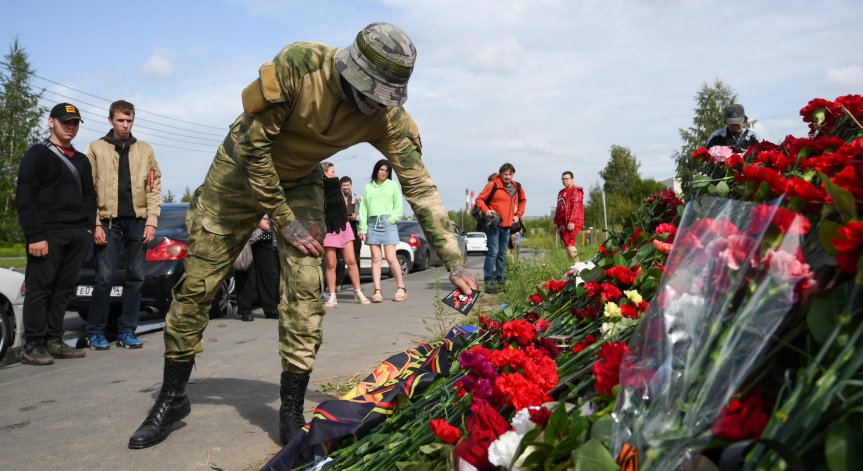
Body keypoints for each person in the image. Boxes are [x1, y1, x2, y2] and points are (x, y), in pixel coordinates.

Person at [127, 22, 477, 449]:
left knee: (307, 289)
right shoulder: (300, 65)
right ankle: (172, 395)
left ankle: (292, 408)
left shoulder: (386, 116)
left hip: (299, 182)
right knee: (198, 285)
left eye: (382, 98)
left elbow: (419, 186)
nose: (371, 106)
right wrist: (283, 219)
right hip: (238, 176)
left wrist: (454, 259)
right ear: (351, 70)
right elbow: (255, 150)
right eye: (368, 93)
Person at [15, 103, 95, 365]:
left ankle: (54, 340)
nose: (70, 127)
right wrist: (35, 235)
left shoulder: (81, 160)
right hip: (46, 234)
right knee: (40, 290)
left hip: (76, 234)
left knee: (63, 289)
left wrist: (88, 229)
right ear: (51, 122)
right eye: (65, 122)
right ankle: (33, 345)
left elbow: (89, 197)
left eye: (74, 123)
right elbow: (25, 198)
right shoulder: (37, 155)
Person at [84, 100, 162, 350]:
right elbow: (88, 189)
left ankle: (127, 330)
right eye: (120, 120)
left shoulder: (145, 150)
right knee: (104, 278)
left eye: (129, 120)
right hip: (108, 222)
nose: (125, 125)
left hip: (137, 223)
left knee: (136, 276)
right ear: (110, 120)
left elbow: (153, 186)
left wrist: (152, 221)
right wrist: (95, 224)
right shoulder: (96, 149)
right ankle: (95, 331)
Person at [321, 163, 370, 307]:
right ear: (324, 174)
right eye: (332, 171)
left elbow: (341, 204)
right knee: (331, 264)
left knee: (351, 260)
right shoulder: (319, 188)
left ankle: (358, 292)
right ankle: (332, 295)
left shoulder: (336, 186)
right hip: (329, 228)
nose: (335, 174)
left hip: (343, 226)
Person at [358, 159, 407, 303]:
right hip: (372, 223)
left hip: (388, 222)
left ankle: (401, 288)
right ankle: (377, 291)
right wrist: (363, 228)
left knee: (391, 258)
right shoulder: (368, 187)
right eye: (381, 169)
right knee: (375, 259)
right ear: (376, 170)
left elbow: (398, 206)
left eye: (386, 170)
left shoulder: (392, 185)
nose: (384, 172)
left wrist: (391, 219)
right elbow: (364, 209)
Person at [475, 163, 526, 292]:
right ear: (500, 174)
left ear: (513, 174)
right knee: (493, 252)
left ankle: (501, 281)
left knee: (503, 253)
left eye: (510, 174)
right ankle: (489, 282)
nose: (507, 177)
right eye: (505, 174)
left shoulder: (516, 186)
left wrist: (518, 215)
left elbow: (523, 200)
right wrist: (487, 211)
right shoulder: (493, 185)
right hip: (494, 224)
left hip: (508, 225)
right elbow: (479, 200)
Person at [236, 216, 280, 322]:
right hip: (244, 233)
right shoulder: (242, 198)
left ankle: (271, 308)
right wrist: (258, 221)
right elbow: (239, 208)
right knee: (244, 270)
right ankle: (245, 310)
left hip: (264, 234)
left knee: (268, 272)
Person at [335, 176, 362, 290]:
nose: (346, 187)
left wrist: (356, 217)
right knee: (340, 259)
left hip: (354, 229)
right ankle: (338, 284)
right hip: (340, 229)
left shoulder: (357, 198)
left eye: (347, 185)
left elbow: (363, 216)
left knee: (356, 258)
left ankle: (357, 284)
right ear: (340, 186)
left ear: (351, 185)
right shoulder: (337, 198)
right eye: (344, 185)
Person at [554, 171, 584, 260]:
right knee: (566, 242)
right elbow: (558, 208)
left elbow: (576, 206)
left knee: (569, 241)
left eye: (567, 179)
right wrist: (556, 222)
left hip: (573, 221)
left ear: (572, 180)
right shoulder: (561, 192)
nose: (564, 181)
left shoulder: (576, 191)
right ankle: (572, 267)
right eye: (563, 179)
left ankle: (577, 266)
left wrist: (572, 221)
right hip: (562, 222)